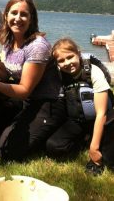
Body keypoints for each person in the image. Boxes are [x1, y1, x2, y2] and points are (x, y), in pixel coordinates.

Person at [0, 0, 66, 161]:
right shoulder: (8, 40)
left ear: (31, 18)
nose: (18, 18)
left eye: (24, 14)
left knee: (6, 152)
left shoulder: (37, 46)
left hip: (49, 102)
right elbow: (6, 73)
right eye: (13, 13)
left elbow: (24, 90)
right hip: (27, 101)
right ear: (6, 15)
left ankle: (54, 129)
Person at [46, 38, 114, 175]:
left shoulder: (93, 72)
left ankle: (95, 145)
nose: (67, 63)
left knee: (109, 159)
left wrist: (94, 149)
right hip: (79, 121)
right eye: (61, 60)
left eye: (70, 57)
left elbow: (101, 113)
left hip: (104, 120)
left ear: (78, 53)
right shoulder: (61, 75)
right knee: (53, 147)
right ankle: (86, 140)